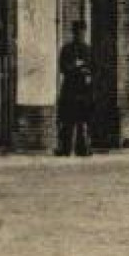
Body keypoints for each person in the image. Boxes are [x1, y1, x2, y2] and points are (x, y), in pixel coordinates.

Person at [56, 20, 93, 157]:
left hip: (83, 89)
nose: (80, 35)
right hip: (70, 88)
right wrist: (76, 67)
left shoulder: (88, 50)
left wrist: (84, 70)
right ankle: (65, 148)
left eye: (82, 32)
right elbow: (63, 68)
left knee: (83, 120)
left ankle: (83, 148)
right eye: (78, 32)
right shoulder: (66, 49)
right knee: (67, 120)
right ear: (74, 33)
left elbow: (92, 68)